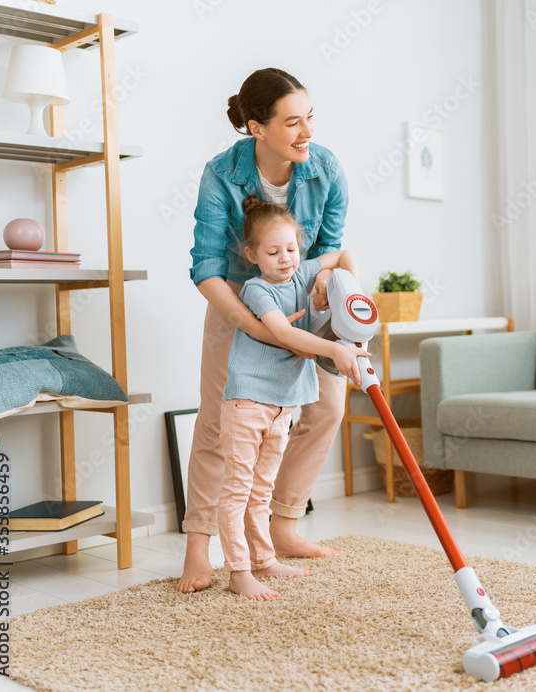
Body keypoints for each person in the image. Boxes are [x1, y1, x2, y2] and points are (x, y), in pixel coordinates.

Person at [178, 68, 350, 594]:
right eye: (293, 122)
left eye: (310, 118)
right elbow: (205, 265)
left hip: (303, 300)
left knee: (326, 407)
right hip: (236, 301)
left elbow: (332, 242)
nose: (307, 132)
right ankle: (198, 548)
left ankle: (282, 527)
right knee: (217, 424)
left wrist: (321, 277)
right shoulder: (221, 174)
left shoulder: (325, 168)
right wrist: (256, 325)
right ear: (257, 128)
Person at [218, 197, 367, 600]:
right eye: (273, 252)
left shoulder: (302, 275)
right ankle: (238, 570)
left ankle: (264, 561)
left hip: (284, 404)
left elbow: (347, 255)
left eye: (291, 250)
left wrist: (331, 279)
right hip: (248, 402)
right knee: (237, 491)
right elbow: (283, 334)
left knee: (262, 489)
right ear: (252, 255)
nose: (285, 259)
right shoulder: (256, 289)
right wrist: (333, 350)